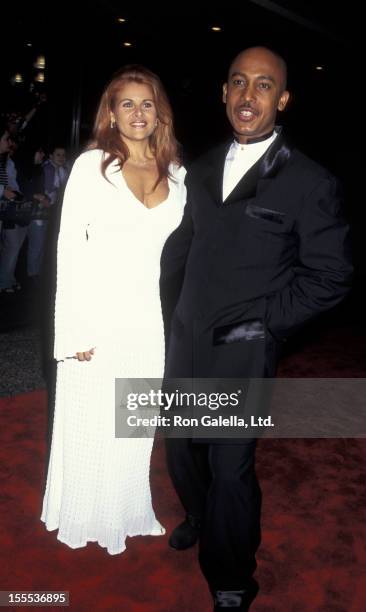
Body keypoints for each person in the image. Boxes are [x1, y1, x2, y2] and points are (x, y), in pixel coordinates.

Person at [160, 46, 352, 610]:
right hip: (184, 336)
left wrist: (261, 325)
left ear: (282, 99)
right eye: (239, 83)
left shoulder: (310, 181)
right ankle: (198, 515)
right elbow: (183, 249)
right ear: (224, 93)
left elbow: (331, 275)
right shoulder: (198, 169)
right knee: (182, 448)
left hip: (242, 348)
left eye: (263, 86)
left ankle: (232, 578)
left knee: (230, 465)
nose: (249, 96)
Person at [41, 65, 186, 554]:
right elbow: (69, 250)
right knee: (89, 421)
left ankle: (126, 510)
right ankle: (82, 514)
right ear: (111, 111)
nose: (138, 112)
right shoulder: (93, 166)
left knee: (134, 425)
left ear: (159, 111)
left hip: (147, 320)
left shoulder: (179, 175)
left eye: (147, 103)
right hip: (95, 316)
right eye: (127, 103)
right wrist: (73, 331)